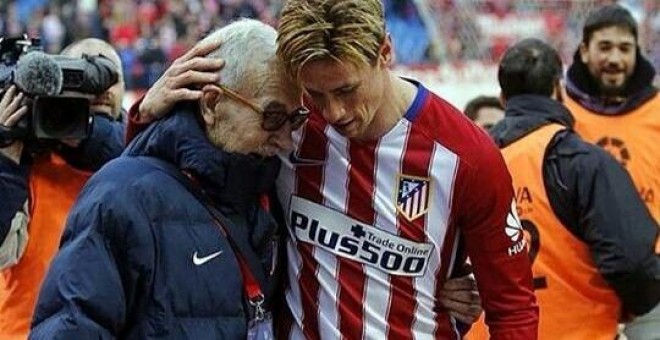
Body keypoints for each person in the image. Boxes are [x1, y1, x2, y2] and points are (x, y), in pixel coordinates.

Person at [127, 2, 538, 338]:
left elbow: (513, 309)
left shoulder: (467, 157)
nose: (334, 112)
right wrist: (143, 116)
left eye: (346, 90)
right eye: (317, 94)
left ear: (385, 51)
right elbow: (174, 189)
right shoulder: (291, 126)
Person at [30, 19, 303, 339]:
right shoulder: (121, 196)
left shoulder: (274, 183)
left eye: (296, 118)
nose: (286, 140)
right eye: (272, 117)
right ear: (212, 103)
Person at [467, 38, 660, 340]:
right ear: (559, 89)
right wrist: (636, 302)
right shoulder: (583, 162)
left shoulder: (466, 166)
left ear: (503, 98)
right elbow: (632, 262)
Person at [0, 38, 126, 339]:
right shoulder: (25, 158)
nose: (101, 88)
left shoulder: (143, 157)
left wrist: (92, 135)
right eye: (81, 73)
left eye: (112, 77)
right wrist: (6, 158)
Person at [563, 4, 660, 337]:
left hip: (652, 280)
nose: (615, 59)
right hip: (579, 281)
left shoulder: (658, 110)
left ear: (638, 52)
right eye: (605, 47)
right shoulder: (562, 110)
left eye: (624, 48)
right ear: (585, 52)